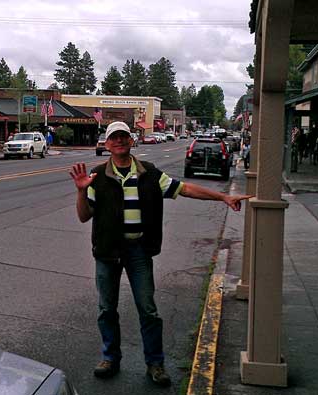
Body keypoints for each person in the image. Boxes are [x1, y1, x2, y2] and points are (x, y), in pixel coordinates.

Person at [69, 121, 251, 387]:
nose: (119, 141)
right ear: (107, 145)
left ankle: (155, 363)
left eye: (123, 136)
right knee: (106, 309)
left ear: (131, 141)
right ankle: (110, 358)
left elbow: (185, 189)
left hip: (139, 251)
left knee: (148, 310)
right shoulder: (97, 176)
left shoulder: (150, 174)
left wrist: (222, 198)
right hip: (108, 252)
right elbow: (84, 216)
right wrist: (82, 191)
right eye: (114, 138)